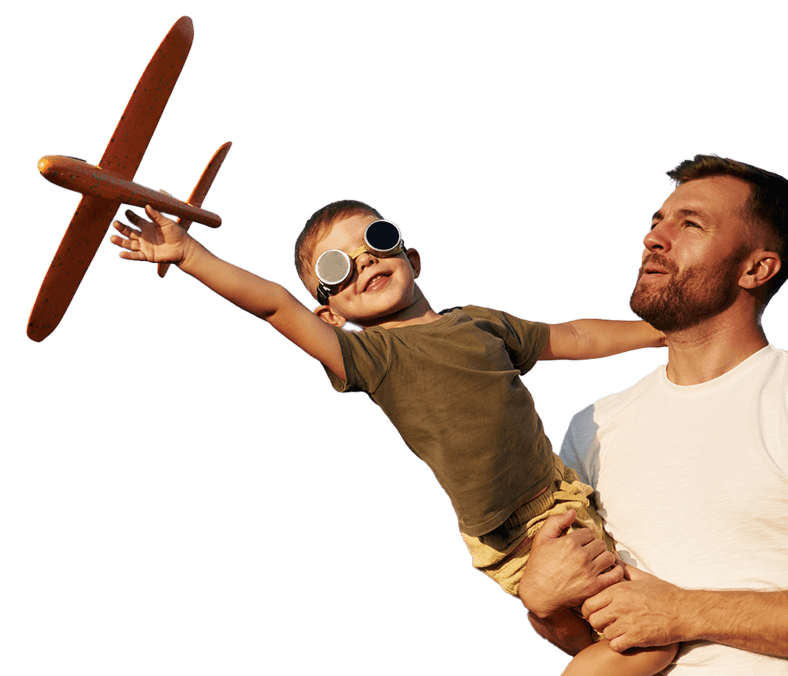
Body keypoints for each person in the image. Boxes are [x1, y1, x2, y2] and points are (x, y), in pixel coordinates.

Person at [110, 198, 674, 674]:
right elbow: (274, 303)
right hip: (517, 534)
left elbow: (572, 334)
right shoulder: (371, 355)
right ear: (328, 314)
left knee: (640, 640)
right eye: (336, 268)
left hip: (564, 496)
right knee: (651, 645)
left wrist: (663, 331)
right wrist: (189, 254)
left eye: (378, 239)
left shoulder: (479, 323)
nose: (364, 262)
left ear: (413, 257)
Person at [518, 153, 788, 674]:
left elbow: (664, 616)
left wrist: (686, 611)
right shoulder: (595, 425)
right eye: (655, 222)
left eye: (690, 224)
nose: (654, 238)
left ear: (757, 268)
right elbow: (601, 635)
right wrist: (544, 604)